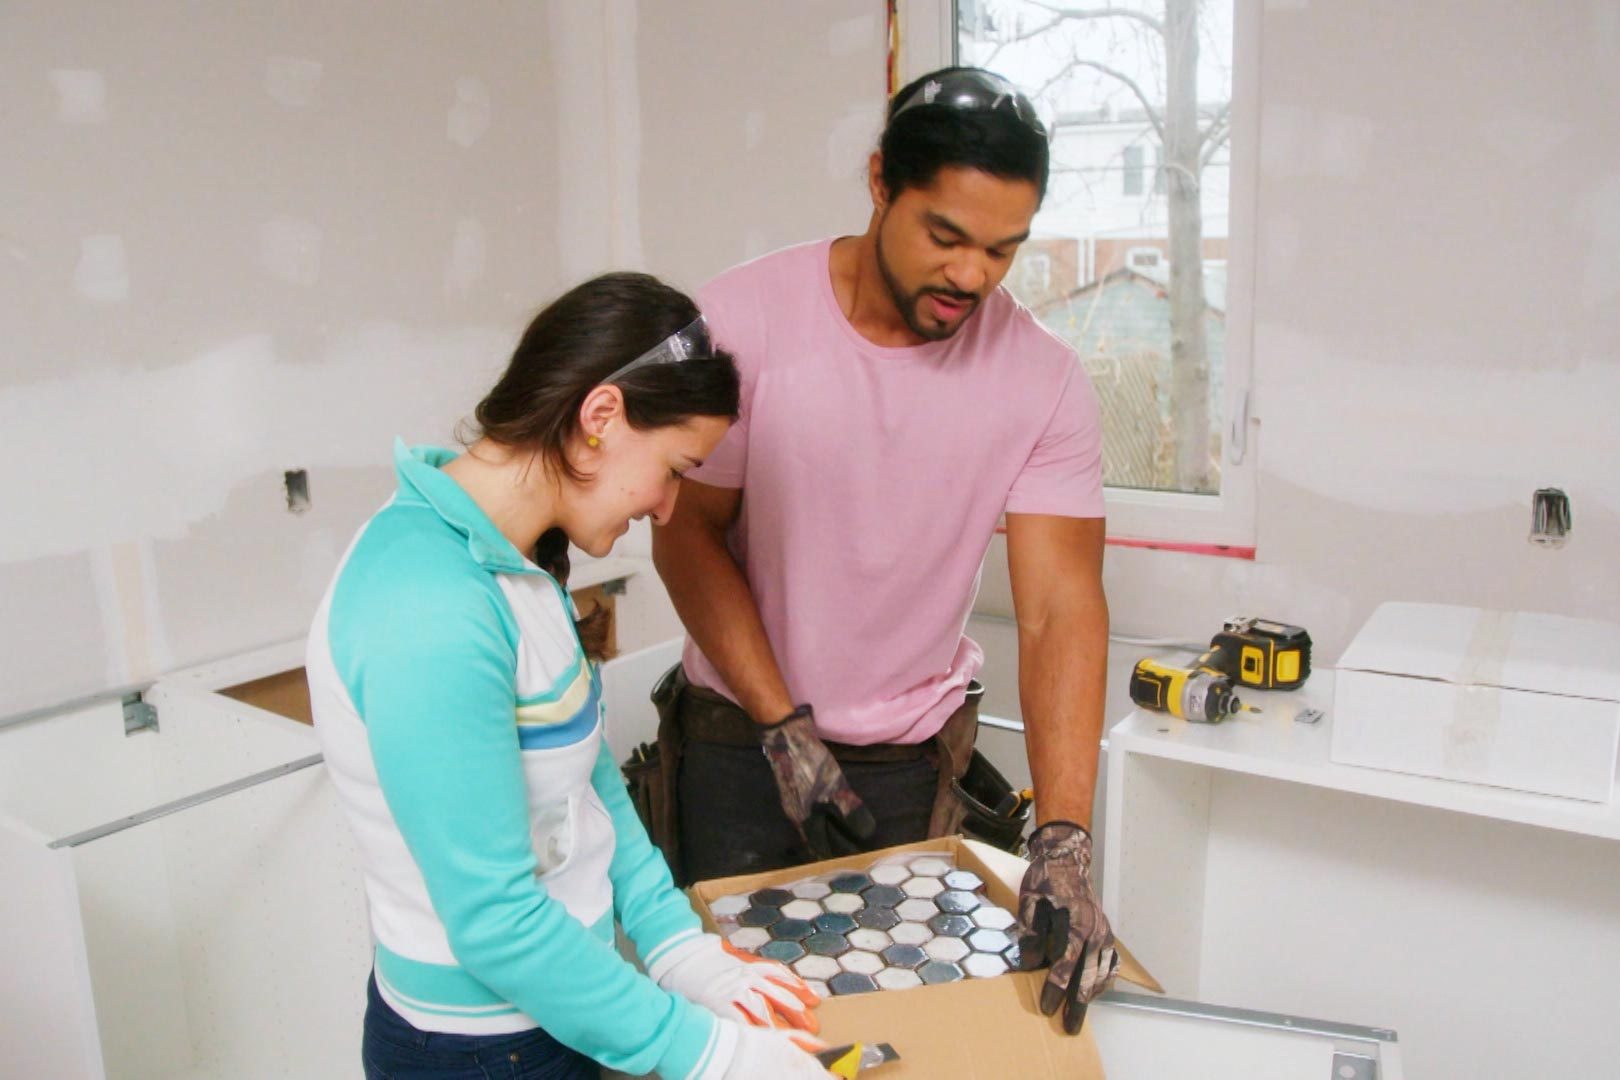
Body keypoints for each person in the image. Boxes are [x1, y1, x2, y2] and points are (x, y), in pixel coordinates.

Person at [650, 67, 1118, 1034]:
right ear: (879, 183)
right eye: (945, 237)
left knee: (896, 1038)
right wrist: (783, 725)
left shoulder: (1044, 382)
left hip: (908, 767)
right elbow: (686, 532)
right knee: (741, 1037)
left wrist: (1062, 840)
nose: (971, 277)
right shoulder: (743, 324)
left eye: (1003, 250)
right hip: (742, 744)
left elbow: (1060, 607)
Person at [307, 272, 831, 1079]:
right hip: (478, 1051)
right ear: (601, 416)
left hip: (554, 1021)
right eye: (676, 467)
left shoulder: (518, 565)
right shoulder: (429, 604)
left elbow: (591, 794)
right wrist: (708, 1053)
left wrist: (678, 948)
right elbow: (496, 922)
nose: (666, 507)